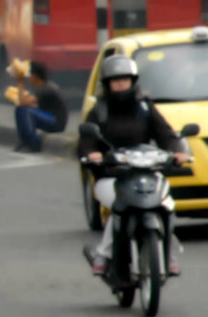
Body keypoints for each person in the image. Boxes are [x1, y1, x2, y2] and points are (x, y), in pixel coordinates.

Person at [78, 54, 189, 276]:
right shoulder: (99, 111)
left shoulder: (145, 108)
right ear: (107, 84)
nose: (120, 85)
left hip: (146, 174)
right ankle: (104, 254)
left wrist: (177, 152)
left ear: (133, 81)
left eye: (124, 80)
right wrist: (92, 155)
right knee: (122, 205)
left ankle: (167, 253)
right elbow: (86, 142)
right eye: (115, 81)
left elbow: (166, 134)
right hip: (111, 178)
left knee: (166, 203)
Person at [12, 60, 68, 152]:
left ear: (35, 77)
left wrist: (20, 81)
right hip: (50, 116)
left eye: (30, 75)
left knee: (25, 111)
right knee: (21, 109)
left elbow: (22, 102)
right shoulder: (42, 87)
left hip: (56, 122)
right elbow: (27, 104)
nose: (29, 78)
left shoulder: (46, 88)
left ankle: (33, 142)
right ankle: (24, 140)